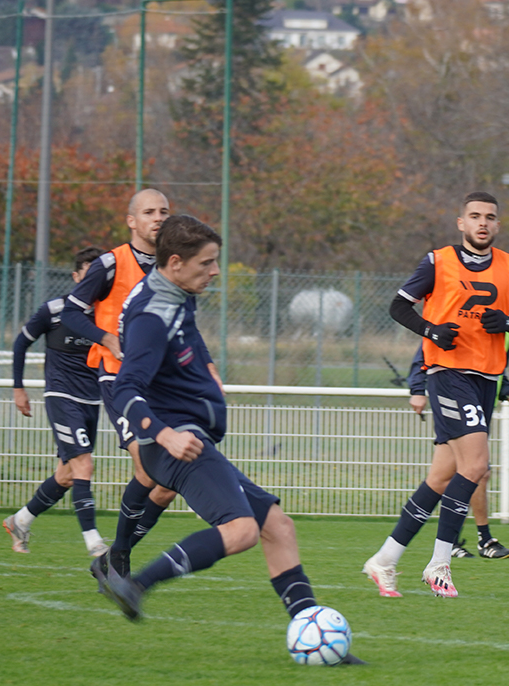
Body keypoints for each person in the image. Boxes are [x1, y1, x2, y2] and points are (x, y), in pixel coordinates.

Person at [90, 215, 363, 662]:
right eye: (207, 263)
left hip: (193, 440)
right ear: (175, 262)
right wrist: (164, 435)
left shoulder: (177, 293)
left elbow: (185, 338)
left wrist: (205, 367)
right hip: (179, 445)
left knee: (277, 526)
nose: (215, 271)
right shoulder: (151, 317)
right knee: (240, 531)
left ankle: (312, 631)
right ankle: (136, 585)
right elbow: (125, 388)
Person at [362, 191, 509, 599]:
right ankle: (439, 565)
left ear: (498, 224)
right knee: (475, 466)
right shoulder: (438, 261)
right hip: (448, 374)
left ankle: (384, 560)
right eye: (474, 216)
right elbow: (398, 306)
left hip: (486, 381)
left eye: (490, 217)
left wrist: (505, 321)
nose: (482, 223)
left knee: (440, 478)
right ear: (461, 222)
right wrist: (430, 331)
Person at [60, 188, 187, 576]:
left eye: (164, 211)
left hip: (160, 382)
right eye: (149, 211)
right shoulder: (110, 264)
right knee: (149, 468)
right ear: (132, 220)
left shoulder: (174, 266)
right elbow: (70, 312)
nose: (158, 218)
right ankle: (119, 560)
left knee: (167, 483)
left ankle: (115, 554)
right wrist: (107, 338)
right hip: (119, 378)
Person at [4, 247, 109, 557]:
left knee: (66, 474)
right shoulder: (54, 310)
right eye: (87, 275)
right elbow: (21, 343)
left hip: (92, 401)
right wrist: (18, 388)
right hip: (61, 396)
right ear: (76, 277)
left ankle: (20, 520)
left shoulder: (107, 316)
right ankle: (94, 542)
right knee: (84, 465)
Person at [405, 339, 509, 561]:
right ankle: (480, 540)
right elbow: (427, 349)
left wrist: (508, 393)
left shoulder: (508, 328)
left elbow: (493, 367)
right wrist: (417, 389)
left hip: (478, 402)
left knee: (449, 476)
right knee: (474, 471)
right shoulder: (468, 310)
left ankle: (390, 555)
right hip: (452, 395)